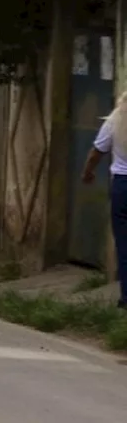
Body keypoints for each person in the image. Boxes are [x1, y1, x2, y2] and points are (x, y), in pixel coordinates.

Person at [81, 90, 127, 310]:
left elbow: (96, 152)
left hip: (122, 187)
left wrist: (88, 173)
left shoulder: (114, 121)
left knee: (124, 244)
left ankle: (126, 297)